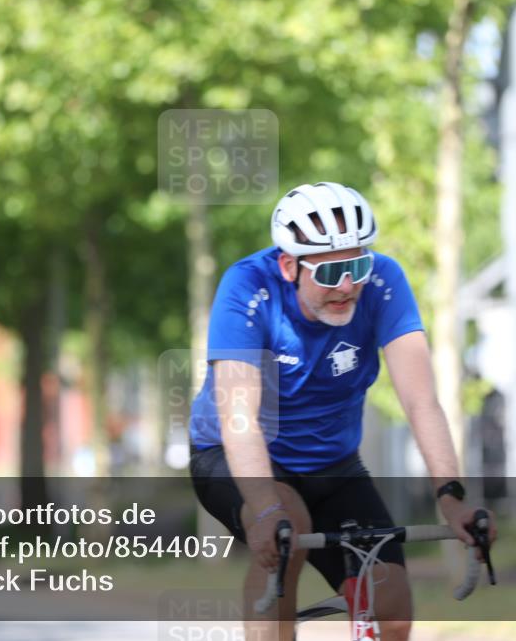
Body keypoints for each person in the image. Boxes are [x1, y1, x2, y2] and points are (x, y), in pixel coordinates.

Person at [189, 182, 497, 641]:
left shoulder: (383, 282)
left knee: (390, 604)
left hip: (332, 465)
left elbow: (420, 400)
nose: (348, 286)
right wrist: (263, 507)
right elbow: (239, 416)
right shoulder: (247, 287)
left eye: (357, 265)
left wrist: (451, 497)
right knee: (286, 531)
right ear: (290, 265)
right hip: (237, 456)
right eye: (331, 274)